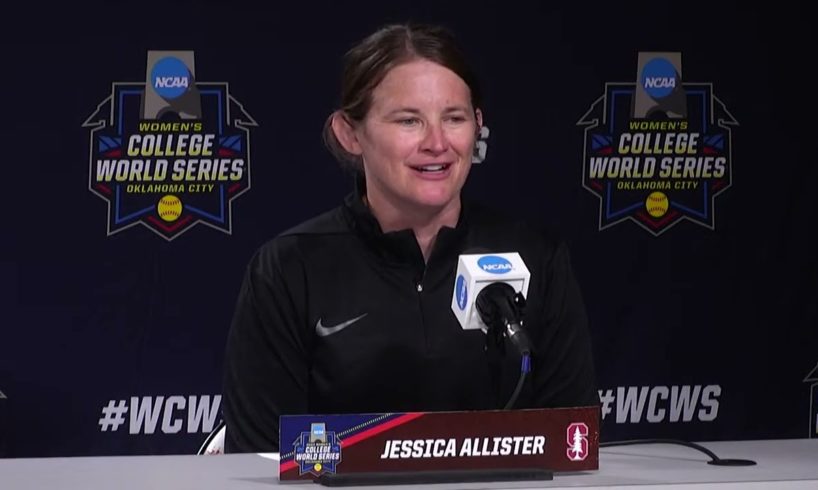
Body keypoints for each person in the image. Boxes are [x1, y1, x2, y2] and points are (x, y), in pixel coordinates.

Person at [222, 23, 598, 453]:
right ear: (350, 132)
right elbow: (263, 456)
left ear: (477, 126)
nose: (437, 143)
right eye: (409, 121)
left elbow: (573, 445)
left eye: (454, 118)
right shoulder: (289, 268)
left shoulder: (538, 256)